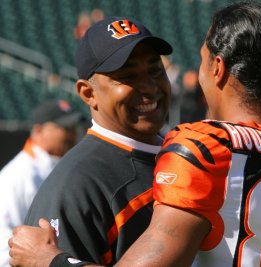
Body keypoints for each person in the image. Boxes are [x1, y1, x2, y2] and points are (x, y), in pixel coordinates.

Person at [9, 2, 261, 267]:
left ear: (218, 68)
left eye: (202, 60)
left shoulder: (206, 151)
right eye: (128, 76)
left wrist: (52, 261)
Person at [9, 16, 173, 266]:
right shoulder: (78, 186)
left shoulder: (182, 151)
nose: (149, 87)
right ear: (88, 93)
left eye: (155, 70)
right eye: (127, 77)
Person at [0, 99, 83, 266]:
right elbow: (4, 244)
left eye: (73, 128)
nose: (72, 134)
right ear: (38, 130)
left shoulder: (62, 164)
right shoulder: (17, 175)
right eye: (63, 128)